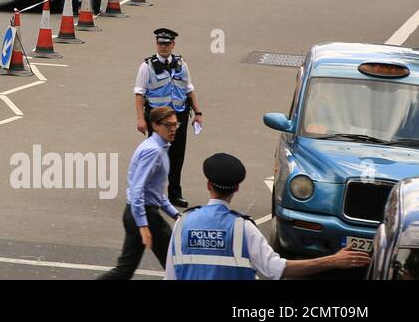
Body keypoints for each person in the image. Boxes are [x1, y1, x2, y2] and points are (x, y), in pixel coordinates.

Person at [165, 153, 372, 280]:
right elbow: (278, 270)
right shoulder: (243, 229)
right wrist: (333, 261)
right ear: (236, 188)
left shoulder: (183, 223)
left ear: (209, 185)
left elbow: (171, 276)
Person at [97, 106, 181, 280]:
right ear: (155, 125)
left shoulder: (157, 147)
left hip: (136, 213)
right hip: (145, 215)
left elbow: (154, 191)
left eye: (175, 124)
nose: (173, 129)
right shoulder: (154, 151)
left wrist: (175, 215)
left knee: (124, 271)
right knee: (178, 266)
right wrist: (143, 226)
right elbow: (137, 189)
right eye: (168, 125)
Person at [133, 28, 203, 208]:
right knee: (155, 155)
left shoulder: (182, 64)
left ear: (173, 45)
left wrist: (198, 113)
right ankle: (148, 193)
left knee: (177, 155)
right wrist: (141, 119)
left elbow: (189, 89)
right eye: (160, 43)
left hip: (179, 116)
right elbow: (139, 94)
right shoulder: (146, 66)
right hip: (157, 119)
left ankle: (174, 193)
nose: (163, 47)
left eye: (166, 44)